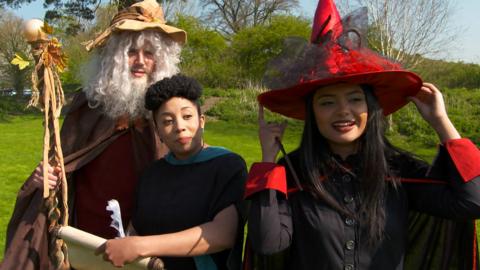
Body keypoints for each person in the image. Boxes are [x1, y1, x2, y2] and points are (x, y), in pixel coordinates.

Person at [243, 1, 480, 269]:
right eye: (327, 102)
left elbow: (473, 201)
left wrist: (442, 123)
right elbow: (268, 242)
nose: (343, 112)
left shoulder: (400, 171)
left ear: (370, 109)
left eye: (355, 99)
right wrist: (266, 162)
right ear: (312, 114)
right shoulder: (293, 173)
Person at [2, 0, 186, 269]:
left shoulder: (174, 114)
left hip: (145, 244)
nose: (141, 62)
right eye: (132, 52)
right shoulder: (88, 106)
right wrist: (45, 176)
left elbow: (190, 172)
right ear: (114, 56)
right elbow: (65, 163)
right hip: (84, 239)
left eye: (149, 53)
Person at [99, 74, 247, 270]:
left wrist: (140, 246)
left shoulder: (226, 166)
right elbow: (136, 229)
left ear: (201, 121)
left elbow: (223, 234)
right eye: (168, 121)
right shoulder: (152, 174)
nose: (180, 127)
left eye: (187, 117)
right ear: (158, 131)